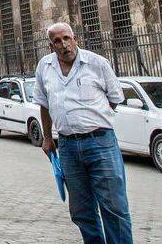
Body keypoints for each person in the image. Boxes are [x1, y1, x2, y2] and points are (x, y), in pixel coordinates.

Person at [31, 23, 132, 244]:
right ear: (51, 46)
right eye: (57, 41)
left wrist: (93, 119)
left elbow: (114, 99)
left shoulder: (97, 63)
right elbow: (44, 104)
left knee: (114, 207)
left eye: (66, 38)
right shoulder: (44, 67)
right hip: (67, 146)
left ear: (75, 38)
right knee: (81, 209)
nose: (64, 44)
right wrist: (47, 138)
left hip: (100, 143)